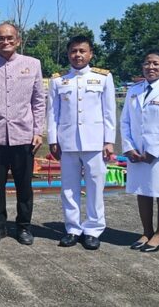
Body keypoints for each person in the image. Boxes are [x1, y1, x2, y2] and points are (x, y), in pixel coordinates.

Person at [0, 23, 45, 245]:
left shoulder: (32, 64)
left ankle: (23, 227)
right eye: (1, 38)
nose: (6, 42)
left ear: (18, 40)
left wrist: (38, 131)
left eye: (10, 38)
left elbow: (39, 101)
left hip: (24, 135)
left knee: (24, 185)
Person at [47, 35, 116, 250]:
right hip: (67, 142)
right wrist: (52, 139)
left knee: (95, 187)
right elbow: (53, 113)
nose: (78, 55)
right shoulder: (58, 80)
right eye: (74, 51)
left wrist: (109, 141)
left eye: (82, 51)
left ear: (90, 54)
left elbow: (109, 111)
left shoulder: (103, 78)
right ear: (68, 54)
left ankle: (93, 229)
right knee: (68, 188)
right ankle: (73, 228)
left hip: (95, 142)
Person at [120, 50, 159, 252]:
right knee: (143, 191)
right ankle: (146, 231)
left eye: (156, 64)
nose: (151, 67)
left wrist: (153, 151)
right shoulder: (134, 90)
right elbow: (125, 121)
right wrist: (129, 147)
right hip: (137, 152)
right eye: (147, 63)